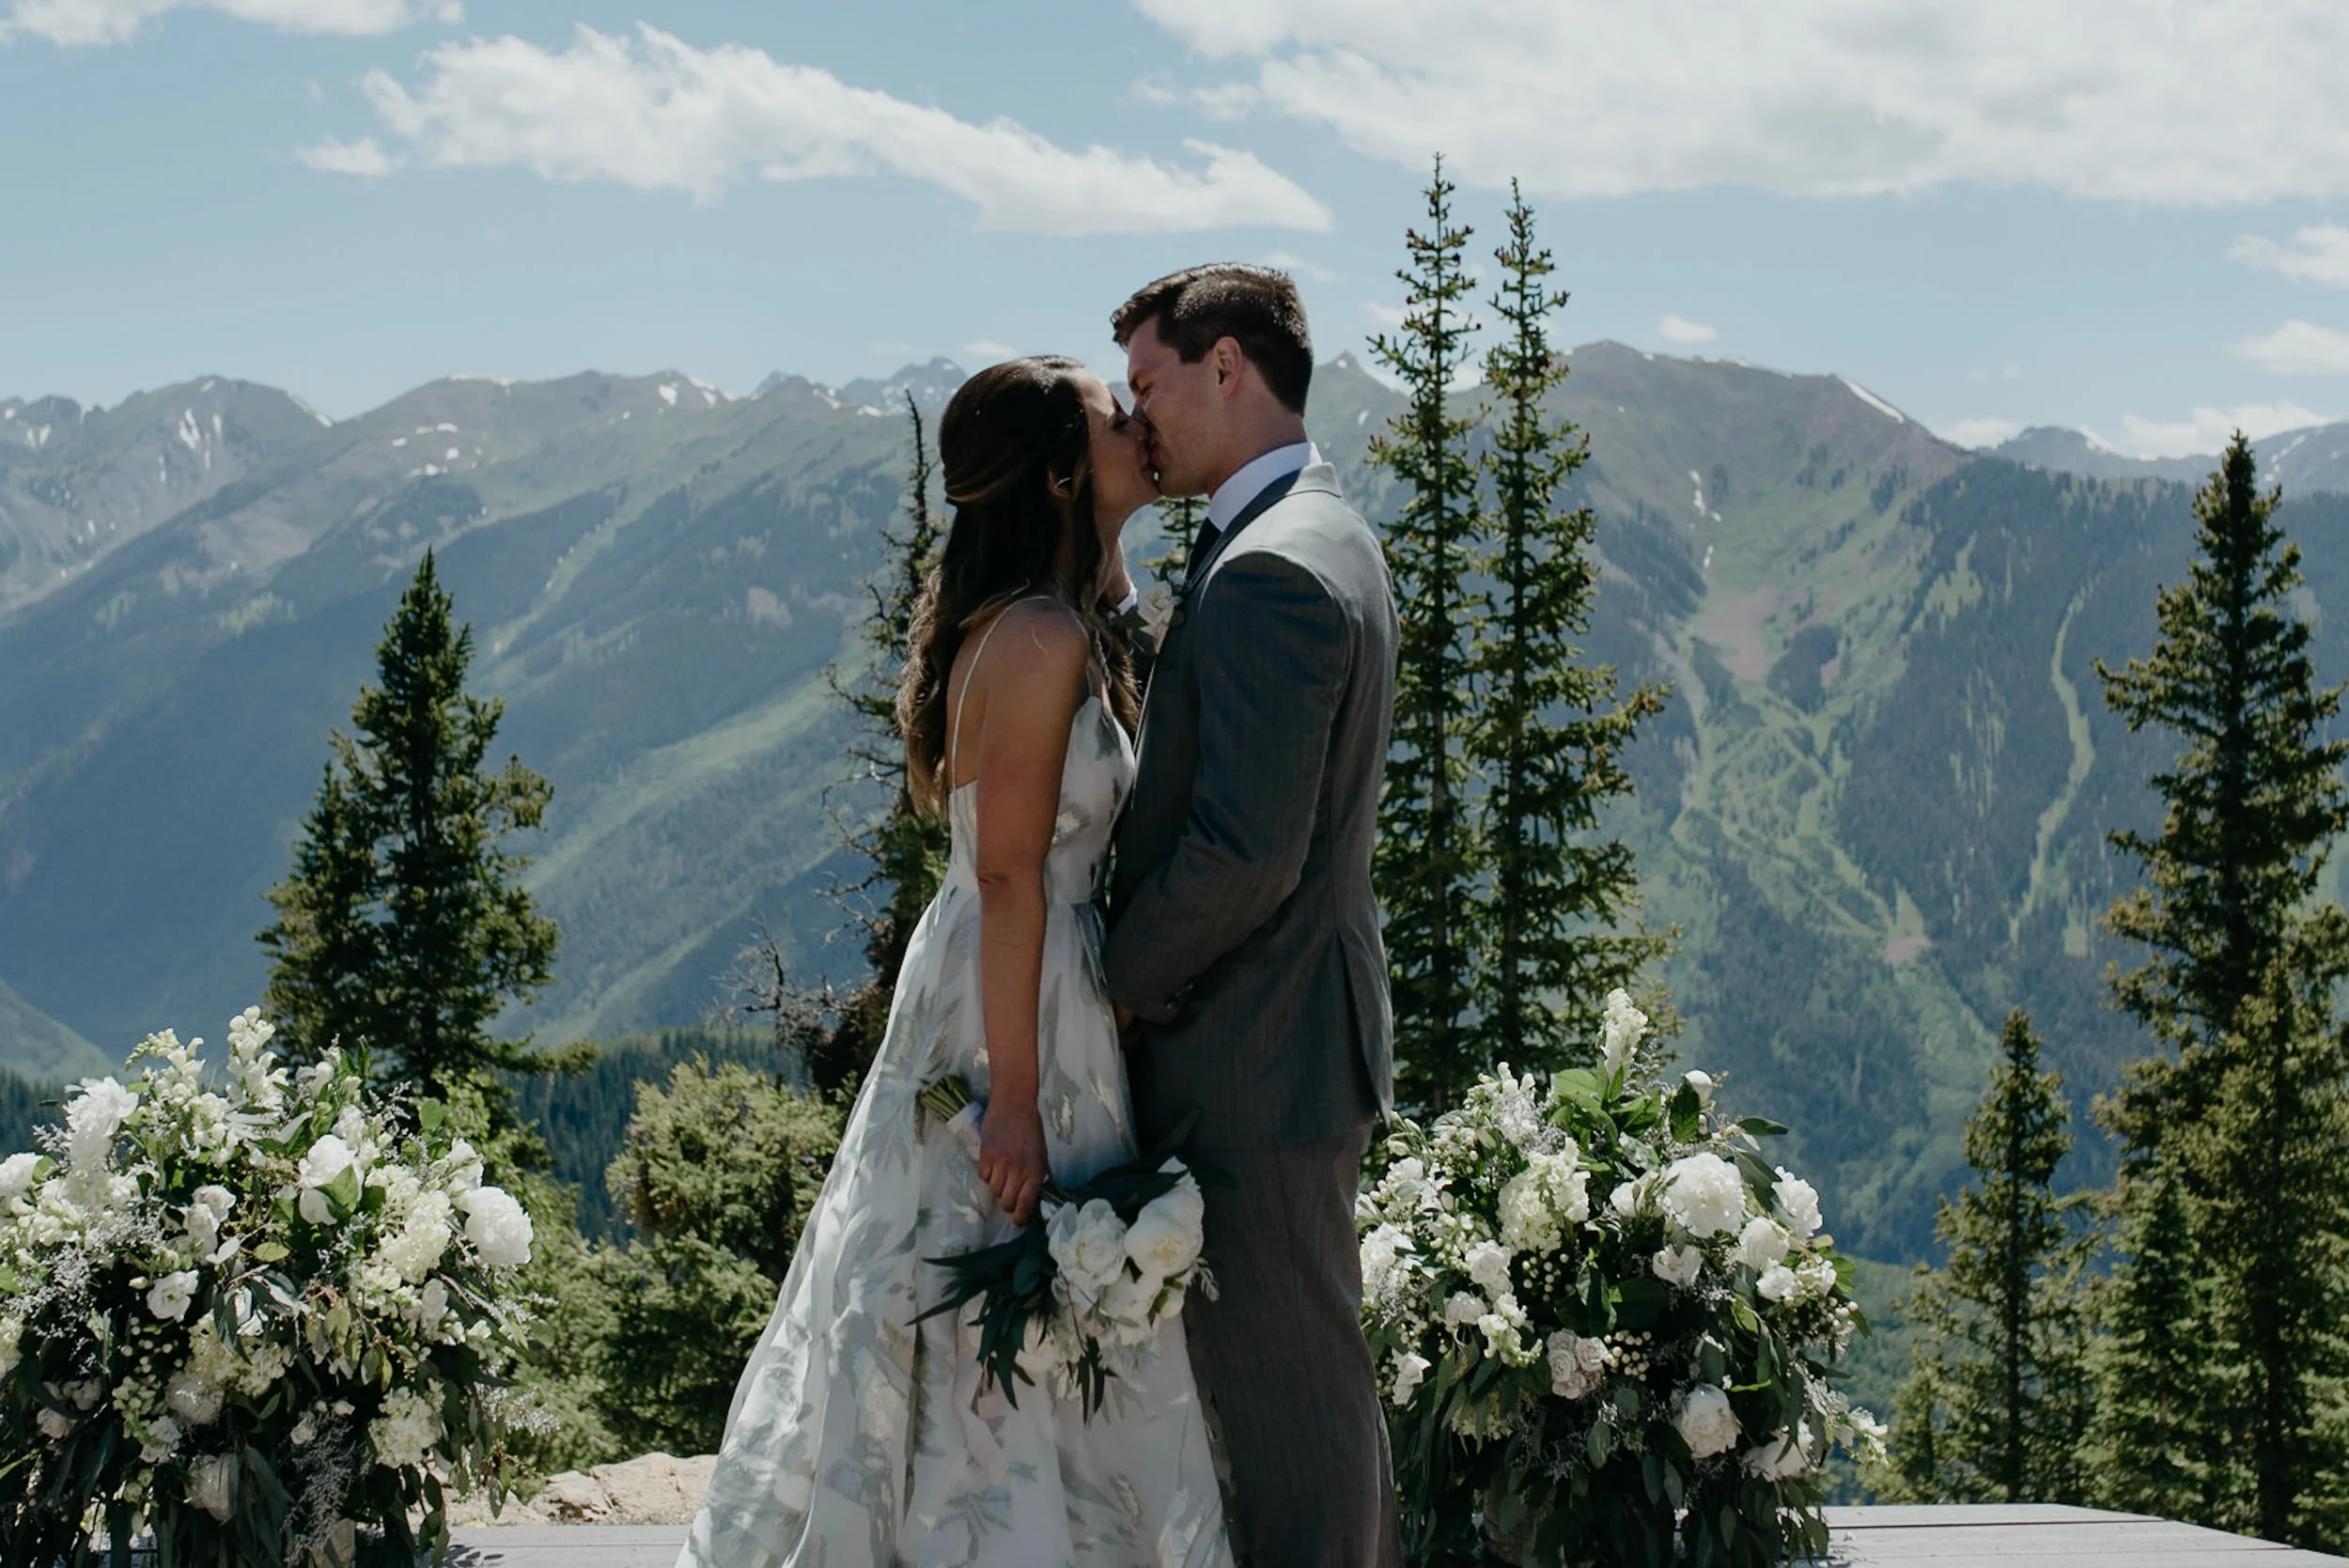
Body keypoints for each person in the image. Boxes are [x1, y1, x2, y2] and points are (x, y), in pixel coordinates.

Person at [677, 355, 1233, 1568]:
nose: (1138, 425)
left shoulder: (1052, 616)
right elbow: (1008, 876)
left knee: (1021, 1293)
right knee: (1000, 1269)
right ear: (1053, 472)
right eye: (1109, 419)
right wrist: (1019, 1101)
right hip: (1015, 996)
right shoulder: (1036, 639)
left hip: (1031, 978)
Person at [1105, 264, 1404, 1568]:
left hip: (1259, 1062)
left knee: (1293, 1421)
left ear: (1227, 366)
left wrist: (1105, 979)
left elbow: (1243, 858)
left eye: (1148, 385)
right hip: (1285, 1049)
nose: (1139, 419)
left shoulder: (1276, 567)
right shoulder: (1309, 527)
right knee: (1304, 1397)